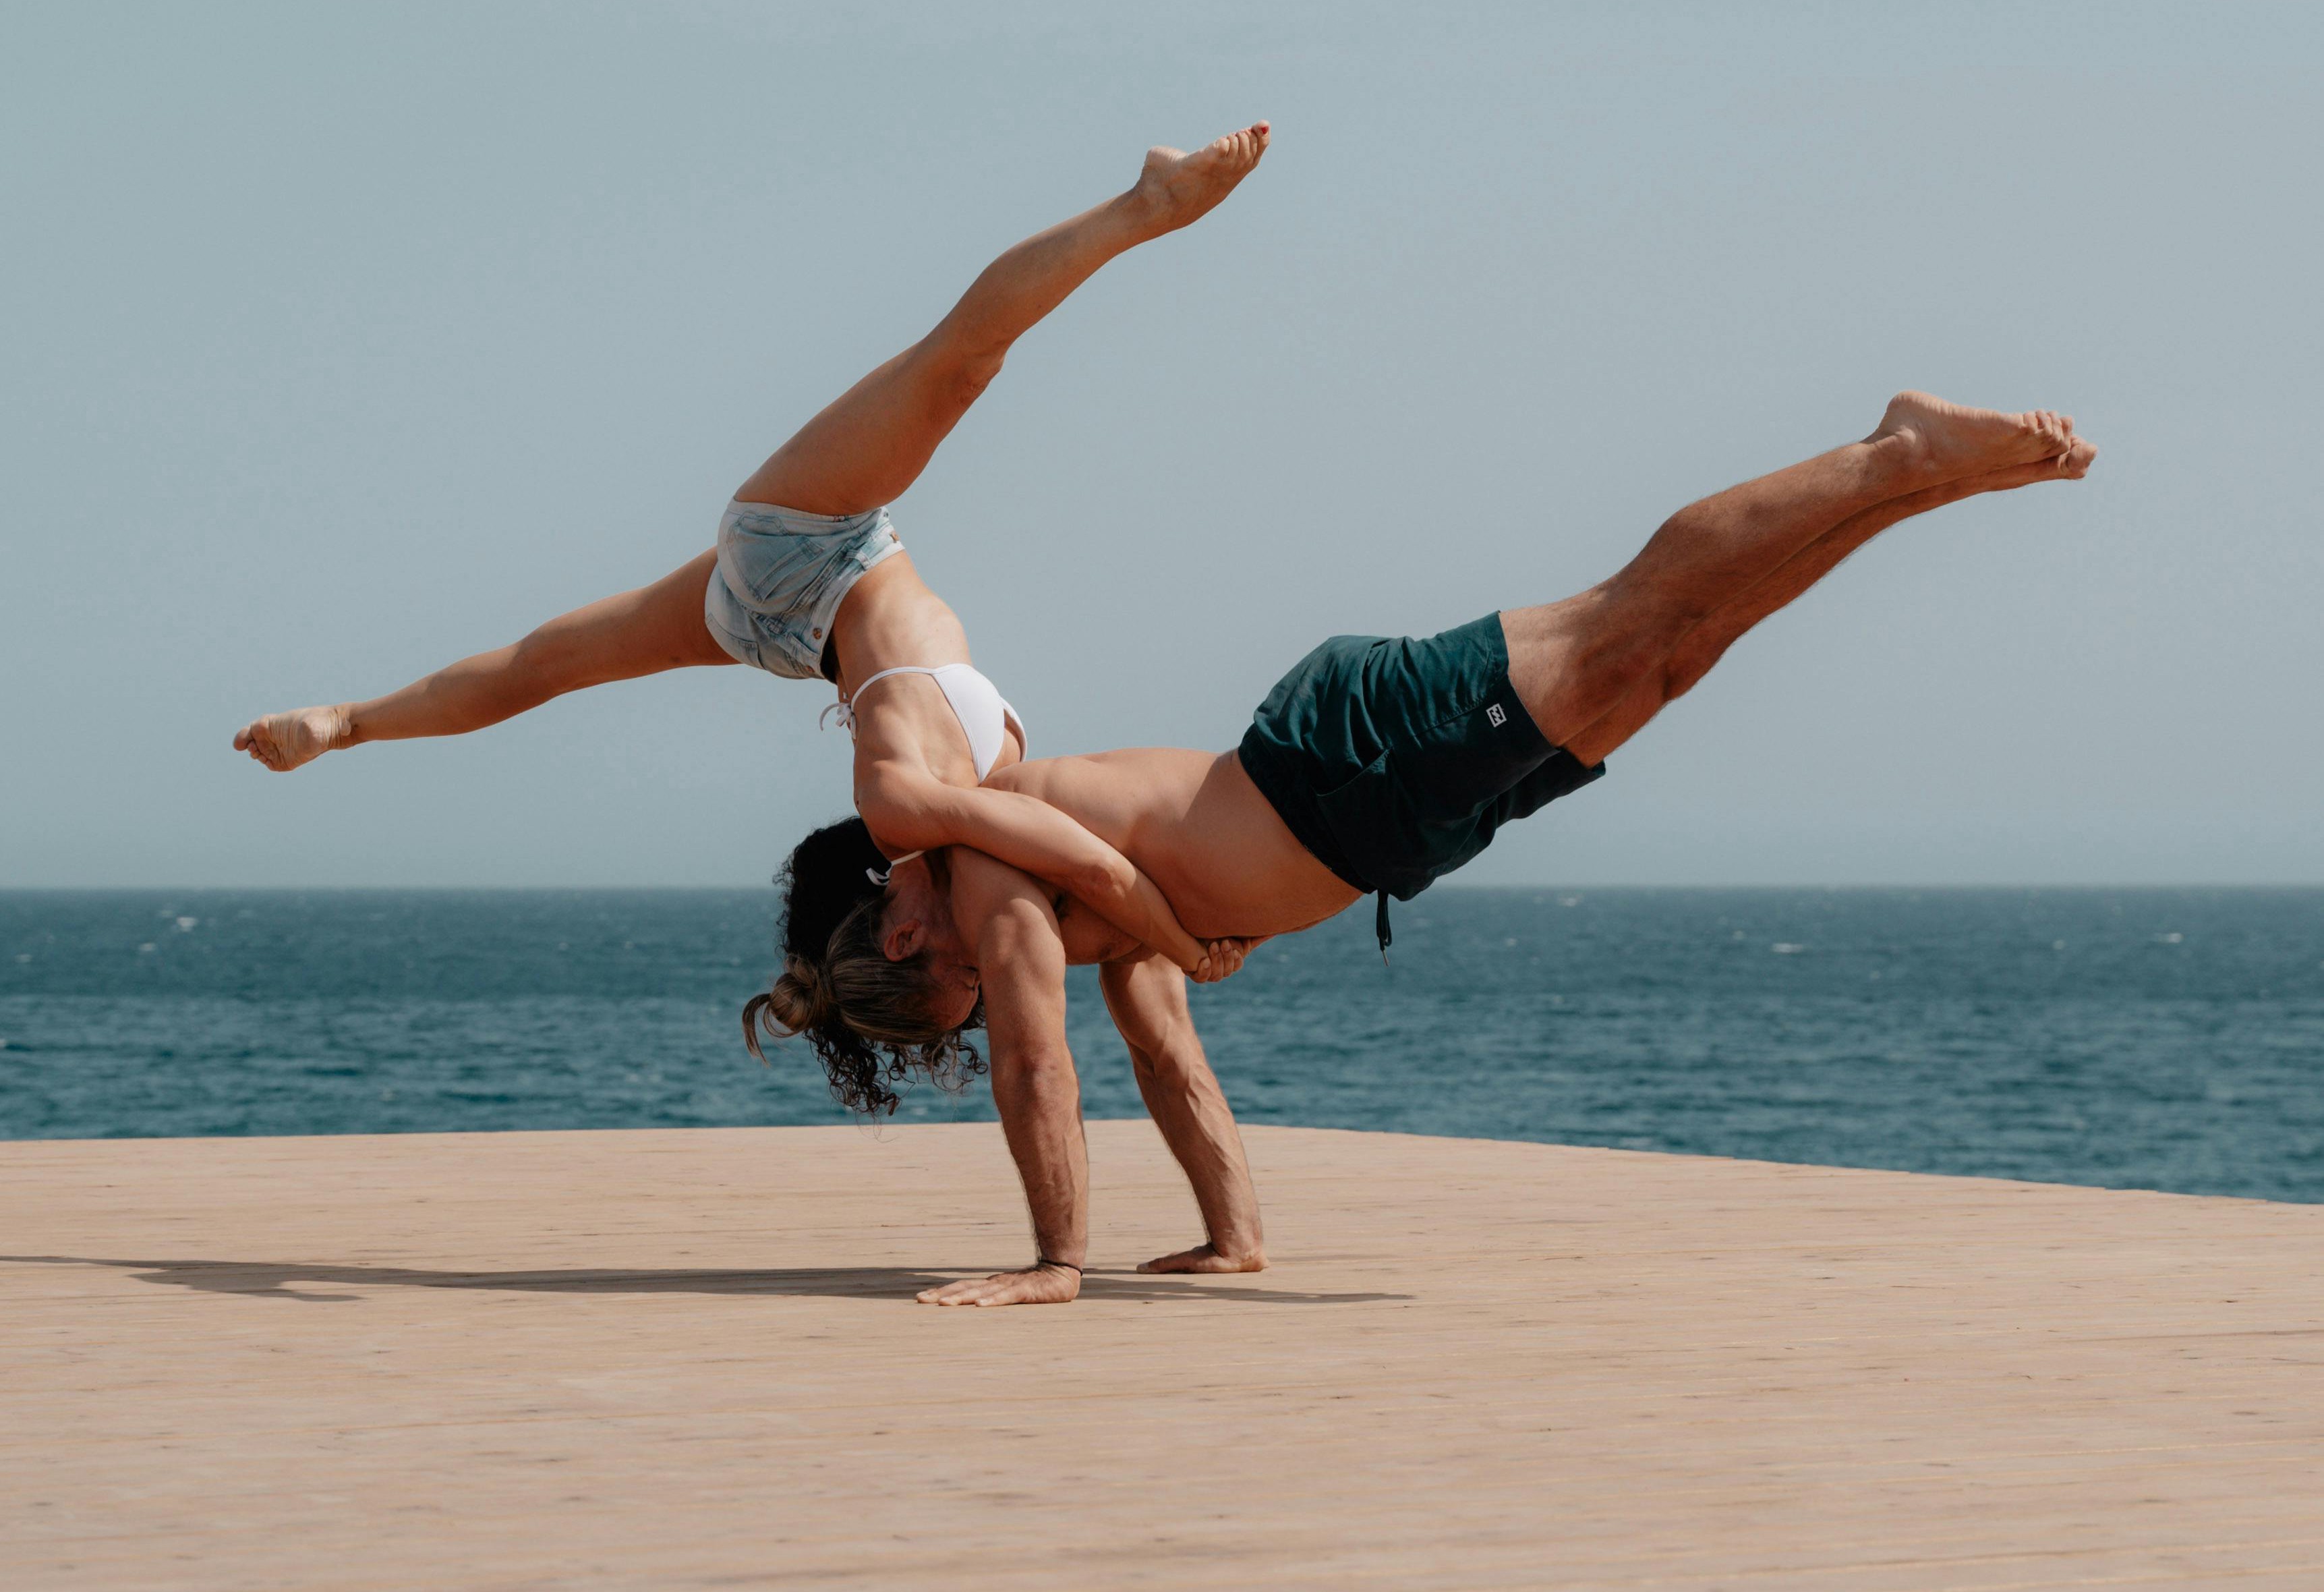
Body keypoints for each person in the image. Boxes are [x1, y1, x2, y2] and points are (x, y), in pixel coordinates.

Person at [759, 393, 2097, 1305]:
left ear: (904, 929)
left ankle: (1893, 449)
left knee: (1626, 627)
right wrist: (1235, 1237)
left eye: (960, 990)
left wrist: (1057, 1262)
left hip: (1340, 763)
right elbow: (1162, 1052)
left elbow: (1037, 1065)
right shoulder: (1078, 913)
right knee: (1674, 661)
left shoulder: (989, 870)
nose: (999, 989)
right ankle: (1921, 483)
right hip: (1381, 827)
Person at [233, 123, 1275, 1031]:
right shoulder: (947, 833)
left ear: (905, 935)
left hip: (811, 553)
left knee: (957, 363)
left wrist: (1185, 950)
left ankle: (1148, 205)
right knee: (543, 667)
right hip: (785, 633)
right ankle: (348, 722)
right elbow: (1107, 865)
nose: (1000, 964)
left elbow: (1100, 870)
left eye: (968, 974)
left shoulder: (919, 814)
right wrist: (1222, 917)